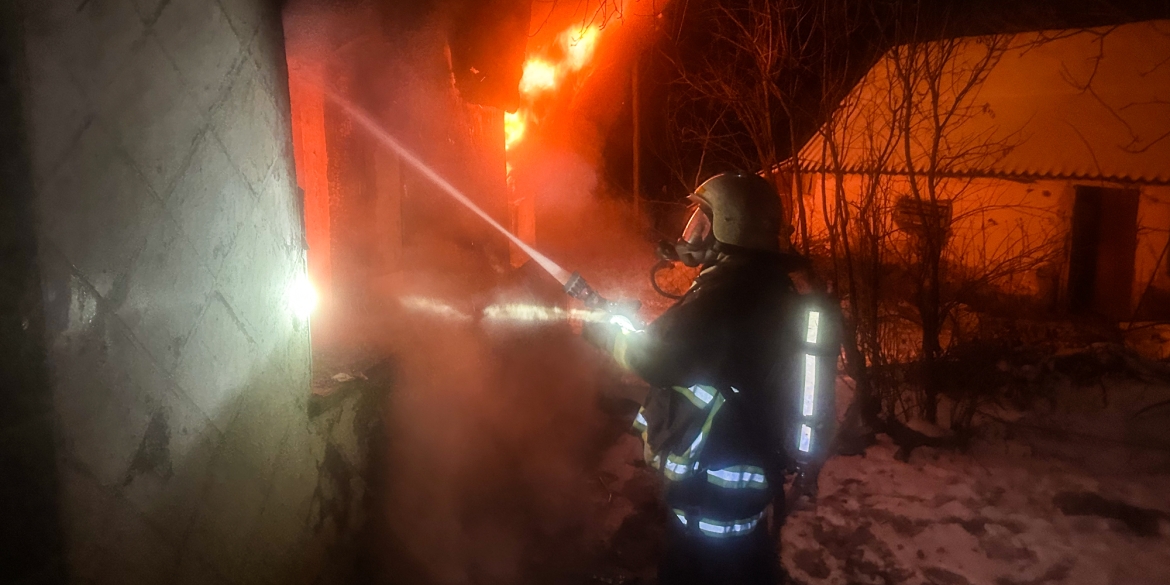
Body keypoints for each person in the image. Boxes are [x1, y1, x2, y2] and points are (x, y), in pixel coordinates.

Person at [582, 171, 832, 585]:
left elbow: (656, 359)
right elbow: (704, 374)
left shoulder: (726, 295)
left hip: (713, 494)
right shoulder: (767, 287)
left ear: (729, 227)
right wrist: (639, 415)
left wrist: (606, 332)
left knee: (701, 569)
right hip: (746, 474)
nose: (690, 234)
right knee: (748, 562)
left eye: (701, 222)